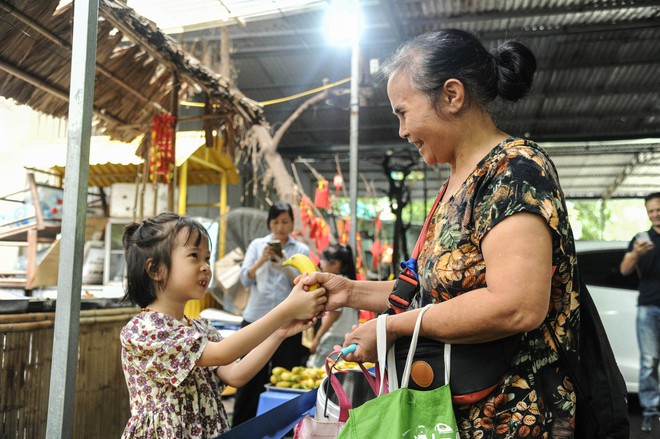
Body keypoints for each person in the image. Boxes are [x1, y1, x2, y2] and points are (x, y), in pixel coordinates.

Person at [302, 29, 580, 437]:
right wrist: (349, 291)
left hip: (511, 416)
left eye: (403, 112)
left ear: (452, 95)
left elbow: (517, 304)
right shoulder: (455, 184)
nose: (400, 131)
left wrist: (391, 327)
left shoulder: (515, 170)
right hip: (450, 415)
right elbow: (435, 292)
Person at [119, 212, 325, 438]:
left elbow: (236, 375)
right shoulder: (145, 330)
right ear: (155, 270)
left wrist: (280, 332)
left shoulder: (201, 328)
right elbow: (222, 354)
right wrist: (286, 309)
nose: (205, 267)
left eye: (207, 258)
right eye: (194, 256)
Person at [232, 201, 312, 426]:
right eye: (275, 222)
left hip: (288, 323)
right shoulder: (258, 245)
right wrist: (261, 260)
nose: (280, 226)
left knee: (285, 379)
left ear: (291, 223)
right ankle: (242, 428)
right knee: (249, 379)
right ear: (269, 223)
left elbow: (305, 284)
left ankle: (283, 428)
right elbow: (245, 279)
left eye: (285, 222)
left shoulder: (300, 251)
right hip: (255, 318)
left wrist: (282, 263)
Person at [620, 192, 660, 432]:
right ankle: (650, 413)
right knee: (649, 362)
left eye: (659, 209)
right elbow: (624, 269)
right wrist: (636, 253)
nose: (655, 214)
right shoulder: (640, 238)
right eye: (651, 211)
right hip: (648, 307)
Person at [307, 244, 358, 367]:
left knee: (321, 371)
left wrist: (318, 338)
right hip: (347, 336)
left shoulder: (336, 284)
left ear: (335, 264)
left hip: (335, 337)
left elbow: (334, 314)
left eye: (323, 260)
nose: (320, 264)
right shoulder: (349, 281)